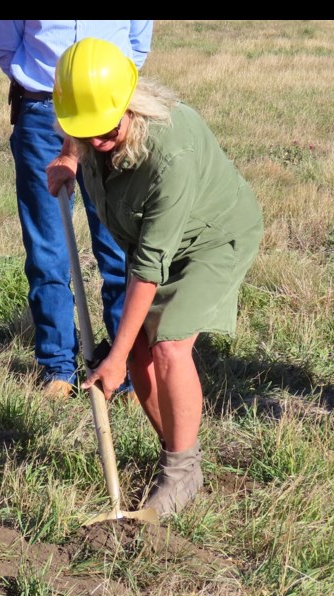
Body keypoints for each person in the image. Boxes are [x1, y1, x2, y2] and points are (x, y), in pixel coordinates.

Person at [46, 38, 264, 518]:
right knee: (140, 349)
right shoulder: (91, 126)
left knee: (166, 345)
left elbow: (148, 267)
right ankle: (179, 455)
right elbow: (83, 125)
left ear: (132, 106)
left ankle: (180, 474)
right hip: (150, 240)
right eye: (86, 134)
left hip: (210, 240)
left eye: (105, 132)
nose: (97, 143)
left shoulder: (170, 152)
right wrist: (70, 155)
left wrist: (115, 357)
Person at [0, 21, 153, 399]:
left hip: (109, 110)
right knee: (47, 250)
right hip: (42, 111)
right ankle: (57, 366)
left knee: (117, 247)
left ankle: (123, 366)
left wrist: (99, 94)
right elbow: (7, 48)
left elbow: (137, 44)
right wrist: (56, 93)